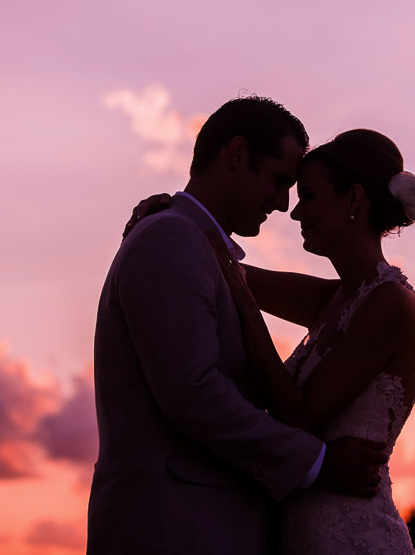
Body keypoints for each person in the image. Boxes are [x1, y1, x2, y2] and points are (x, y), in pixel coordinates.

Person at [88, 97, 389, 555]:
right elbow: (194, 394)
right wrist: (319, 463)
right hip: (176, 530)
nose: (284, 203)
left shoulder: (194, 246)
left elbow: (344, 301)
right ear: (238, 154)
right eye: (279, 180)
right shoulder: (171, 239)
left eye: (298, 191)